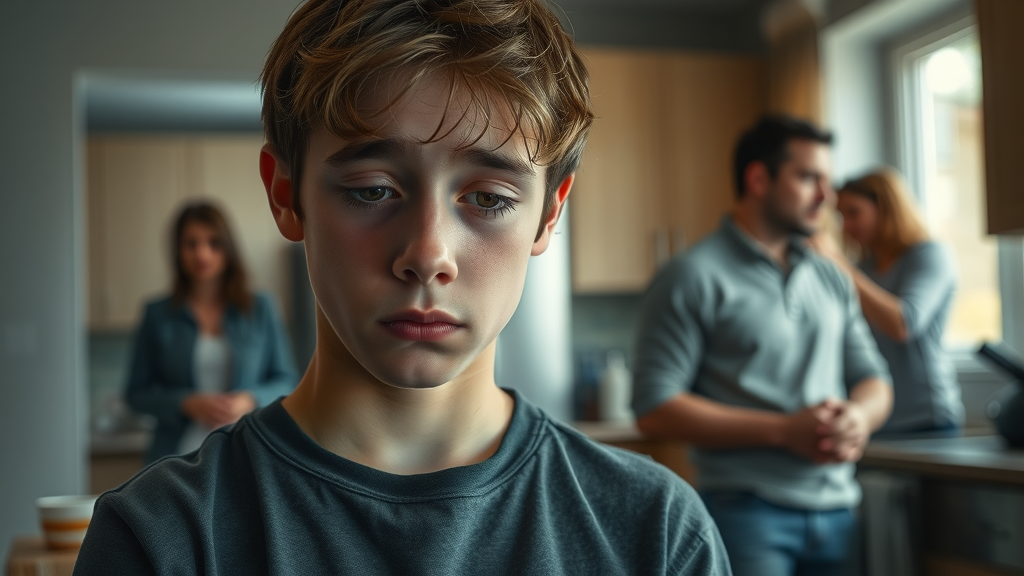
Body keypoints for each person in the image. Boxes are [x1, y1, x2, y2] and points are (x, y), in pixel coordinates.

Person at [74, 1, 731, 574]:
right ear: (286, 195)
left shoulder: (659, 534)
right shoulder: (157, 539)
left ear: (549, 213)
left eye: (488, 198)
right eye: (372, 190)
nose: (428, 255)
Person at [632, 115, 894, 576]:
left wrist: (859, 418)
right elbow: (654, 406)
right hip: (746, 515)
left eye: (827, 181)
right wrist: (783, 430)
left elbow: (874, 381)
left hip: (839, 512)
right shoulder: (692, 275)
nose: (826, 197)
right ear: (758, 178)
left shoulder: (830, 275)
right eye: (809, 178)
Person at [123, 202, 299, 464]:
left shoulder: (261, 308)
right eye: (191, 244)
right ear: (177, 250)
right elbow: (135, 393)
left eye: (213, 243)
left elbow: (286, 380)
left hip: (246, 452)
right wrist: (185, 402)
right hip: (175, 457)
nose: (202, 254)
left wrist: (249, 398)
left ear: (228, 249)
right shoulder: (157, 314)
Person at [809, 168, 964, 434]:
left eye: (854, 213)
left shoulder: (930, 255)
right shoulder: (864, 269)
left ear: (886, 209)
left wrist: (839, 265)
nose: (846, 225)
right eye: (841, 216)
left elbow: (904, 324)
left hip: (927, 418)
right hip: (876, 418)